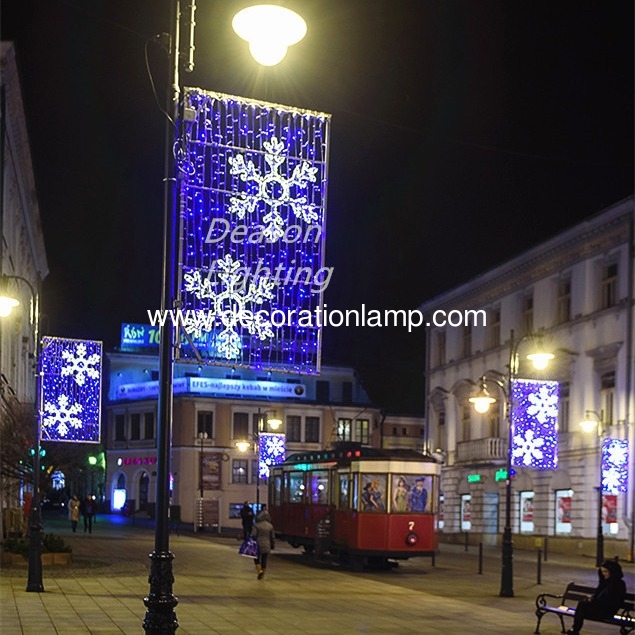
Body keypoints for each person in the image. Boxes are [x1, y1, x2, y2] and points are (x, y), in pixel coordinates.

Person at [566, 559, 627, 634]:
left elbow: (613, 601)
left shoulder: (619, 584)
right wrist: (592, 598)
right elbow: (598, 595)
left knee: (582, 606)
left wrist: (595, 601)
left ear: (612, 572)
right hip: (599, 608)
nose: (603, 574)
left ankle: (575, 630)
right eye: (602, 572)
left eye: (605, 571)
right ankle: (575, 630)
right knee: (582, 605)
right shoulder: (604, 582)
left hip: (608, 611)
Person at [251, 505, 275, 580]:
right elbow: (272, 537)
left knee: (256, 558)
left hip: (258, 544)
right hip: (267, 544)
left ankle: (259, 570)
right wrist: (272, 545)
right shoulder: (270, 526)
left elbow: (253, 535)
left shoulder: (256, 525)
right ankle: (263, 573)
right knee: (264, 559)